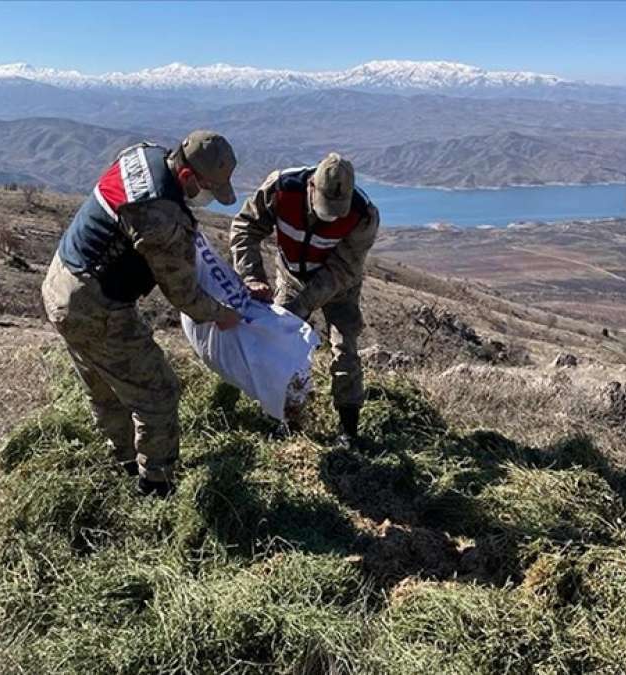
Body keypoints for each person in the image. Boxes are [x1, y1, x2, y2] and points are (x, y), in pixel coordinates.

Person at [41, 130, 241, 495]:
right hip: (94, 305)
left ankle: (124, 461)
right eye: (208, 190)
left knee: (106, 386)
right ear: (186, 177)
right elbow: (184, 295)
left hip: (62, 280)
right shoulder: (160, 218)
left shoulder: (144, 154)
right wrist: (220, 314)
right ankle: (155, 487)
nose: (209, 199)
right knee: (158, 393)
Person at [230, 153, 379, 448]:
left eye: (338, 210)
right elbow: (245, 227)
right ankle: (286, 419)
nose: (331, 215)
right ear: (312, 186)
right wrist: (251, 276)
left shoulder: (363, 215)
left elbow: (344, 268)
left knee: (345, 348)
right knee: (282, 347)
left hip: (340, 285)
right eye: (325, 207)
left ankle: (349, 430)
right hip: (292, 274)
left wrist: (302, 305)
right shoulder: (281, 188)